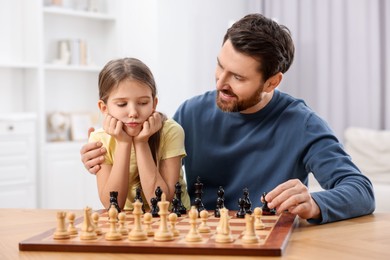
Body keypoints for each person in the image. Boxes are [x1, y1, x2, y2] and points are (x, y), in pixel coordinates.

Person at [81, 14, 375, 224]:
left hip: (266, 243)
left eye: (237, 77)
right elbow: (149, 175)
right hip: (199, 241)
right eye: (220, 66)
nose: (220, 83)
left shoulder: (302, 124)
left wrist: (314, 203)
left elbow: (360, 191)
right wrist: (101, 150)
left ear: (272, 82)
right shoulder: (190, 113)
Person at [88, 57, 190, 211]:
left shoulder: (171, 131)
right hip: (129, 221)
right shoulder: (99, 138)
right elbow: (112, 204)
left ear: (154, 104)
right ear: (104, 108)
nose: (133, 113)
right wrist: (123, 143)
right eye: (122, 104)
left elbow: (162, 202)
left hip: (172, 219)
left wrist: (141, 142)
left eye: (143, 103)